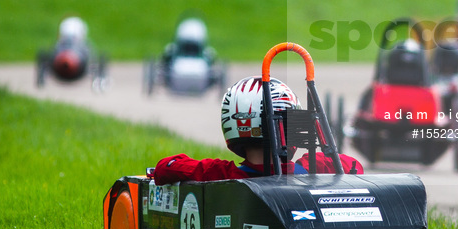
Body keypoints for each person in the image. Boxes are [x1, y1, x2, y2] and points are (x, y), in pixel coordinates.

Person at [150, 76, 362, 184]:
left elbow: (166, 167)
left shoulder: (222, 175)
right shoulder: (312, 169)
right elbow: (354, 166)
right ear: (290, 127)